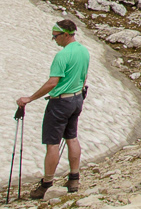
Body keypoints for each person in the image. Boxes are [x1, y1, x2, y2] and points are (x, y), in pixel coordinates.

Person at [15, 19, 90, 199]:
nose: (54, 39)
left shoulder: (62, 56)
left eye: (55, 36)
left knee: (53, 143)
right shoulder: (83, 51)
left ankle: (47, 183)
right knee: (71, 137)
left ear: (65, 34)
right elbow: (84, 75)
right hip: (76, 98)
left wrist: (30, 98)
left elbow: (52, 83)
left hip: (60, 102)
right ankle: (74, 178)